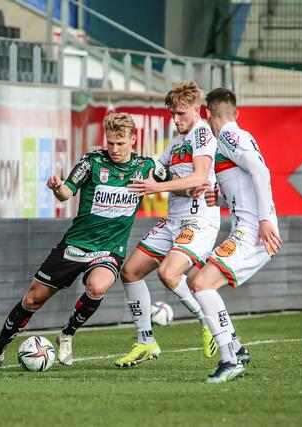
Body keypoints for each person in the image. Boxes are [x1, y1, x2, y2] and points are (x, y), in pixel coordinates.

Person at [0, 112, 173, 372]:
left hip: (109, 249)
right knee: (32, 300)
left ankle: (67, 334)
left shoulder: (147, 166)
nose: (115, 149)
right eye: (110, 142)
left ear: (133, 139)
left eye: (120, 143)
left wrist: (202, 190)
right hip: (75, 244)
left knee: (97, 287)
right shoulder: (92, 162)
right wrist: (56, 187)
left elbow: (178, 182)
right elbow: (65, 193)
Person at [114, 81, 221, 368]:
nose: (176, 120)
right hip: (174, 219)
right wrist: (130, 165)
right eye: (173, 114)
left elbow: (199, 178)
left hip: (198, 220)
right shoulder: (176, 143)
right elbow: (157, 172)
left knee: (168, 273)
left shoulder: (201, 134)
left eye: (181, 114)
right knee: (130, 271)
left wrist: (157, 187)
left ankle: (209, 323)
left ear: (197, 110)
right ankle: (146, 340)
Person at [188, 87, 281, 383]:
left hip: (252, 232)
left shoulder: (228, 135)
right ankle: (236, 348)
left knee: (202, 283)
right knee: (195, 280)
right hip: (247, 228)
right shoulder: (238, 135)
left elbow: (261, 173)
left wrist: (265, 220)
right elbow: (247, 181)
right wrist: (223, 200)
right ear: (236, 112)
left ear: (206, 114)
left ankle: (229, 359)